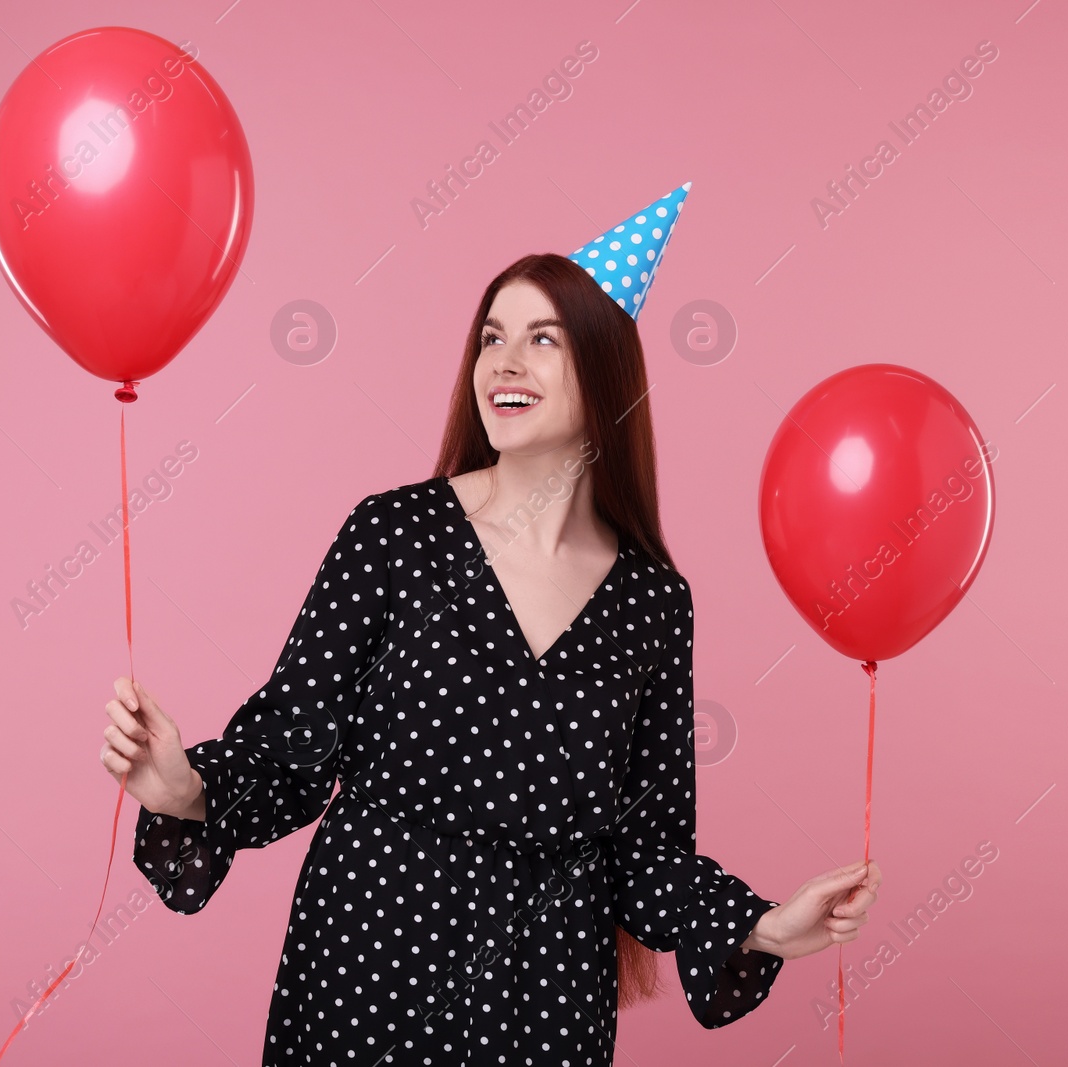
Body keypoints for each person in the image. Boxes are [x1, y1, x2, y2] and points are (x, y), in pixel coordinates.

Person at [99, 187, 880, 1065]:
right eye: (491, 337)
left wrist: (767, 925)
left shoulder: (654, 603)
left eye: (542, 338)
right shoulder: (392, 534)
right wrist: (188, 791)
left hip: (547, 995)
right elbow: (293, 745)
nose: (504, 362)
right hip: (369, 961)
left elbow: (644, 850)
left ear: (606, 370)